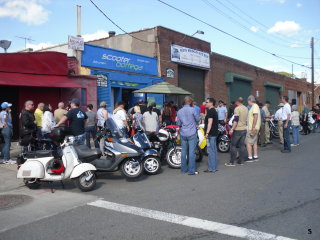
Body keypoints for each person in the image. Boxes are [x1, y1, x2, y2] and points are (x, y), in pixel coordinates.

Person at [177, 96, 200, 175]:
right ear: (190, 102)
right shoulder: (193, 110)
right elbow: (198, 119)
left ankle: (183, 169)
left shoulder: (179, 111)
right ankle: (191, 170)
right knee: (191, 152)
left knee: (184, 151)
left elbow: (178, 123)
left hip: (183, 132)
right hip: (192, 132)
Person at [226, 97, 248, 166]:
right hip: (244, 128)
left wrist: (232, 129)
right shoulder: (246, 108)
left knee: (233, 145)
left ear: (237, 102)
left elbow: (236, 119)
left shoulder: (237, 109)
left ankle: (232, 162)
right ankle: (241, 161)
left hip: (238, 129)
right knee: (242, 145)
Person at [203, 98, 218, 173]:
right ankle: (214, 167)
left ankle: (211, 168)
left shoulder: (210, 111)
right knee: (214, 150)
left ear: (211, 103)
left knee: (211, 151)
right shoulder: (214, 110)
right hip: (214, 133)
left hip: (211, 133)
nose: (206, 103)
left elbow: (210, 123)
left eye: (207, 102)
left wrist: (207, 133)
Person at [245, 95, 261, 162]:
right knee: (254, 142)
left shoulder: (254, 106)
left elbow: (255, 116)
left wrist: (253, 127)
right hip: (255, 127)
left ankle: (250, 157)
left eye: (248, 101)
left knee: (248, 142)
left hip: (252, 128)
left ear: (249, 100)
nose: (247, 102)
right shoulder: (255, 106)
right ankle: (255, 156)